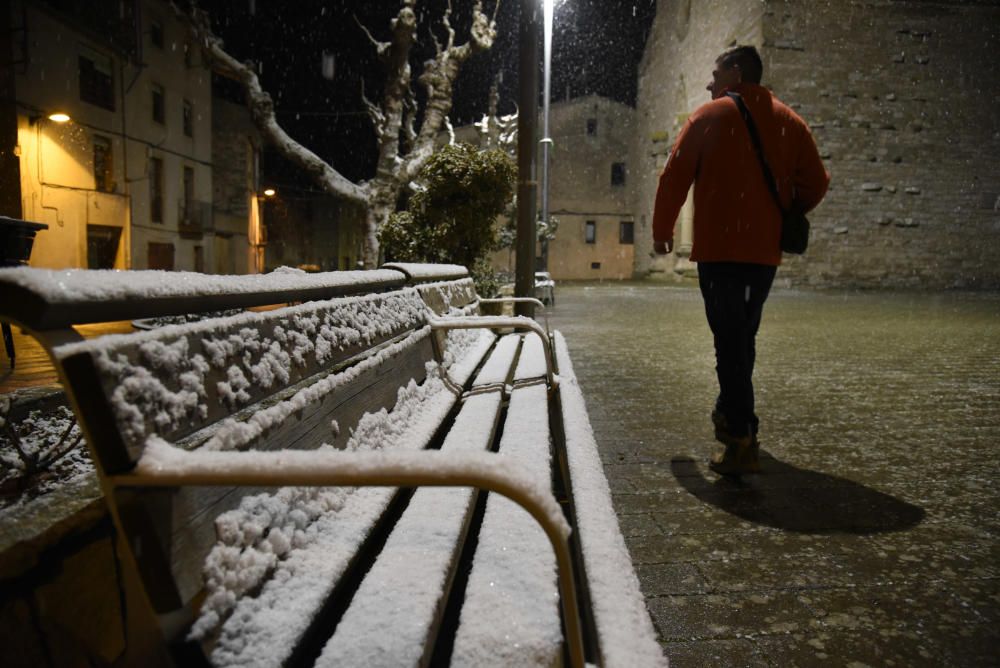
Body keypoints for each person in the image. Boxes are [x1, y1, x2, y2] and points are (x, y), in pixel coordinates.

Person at [652, 45, 830, 476]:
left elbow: (673, 177)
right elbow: (817, 184)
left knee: (730, 343)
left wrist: (662, 232)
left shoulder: (708, 117)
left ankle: (739, 439)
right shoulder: (790, 122)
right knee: (741, 338)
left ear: (735, 73)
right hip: (762, 255)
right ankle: (737, 420)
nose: (710, 83)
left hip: (720, 252)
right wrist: (785, 210)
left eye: (715, 74)